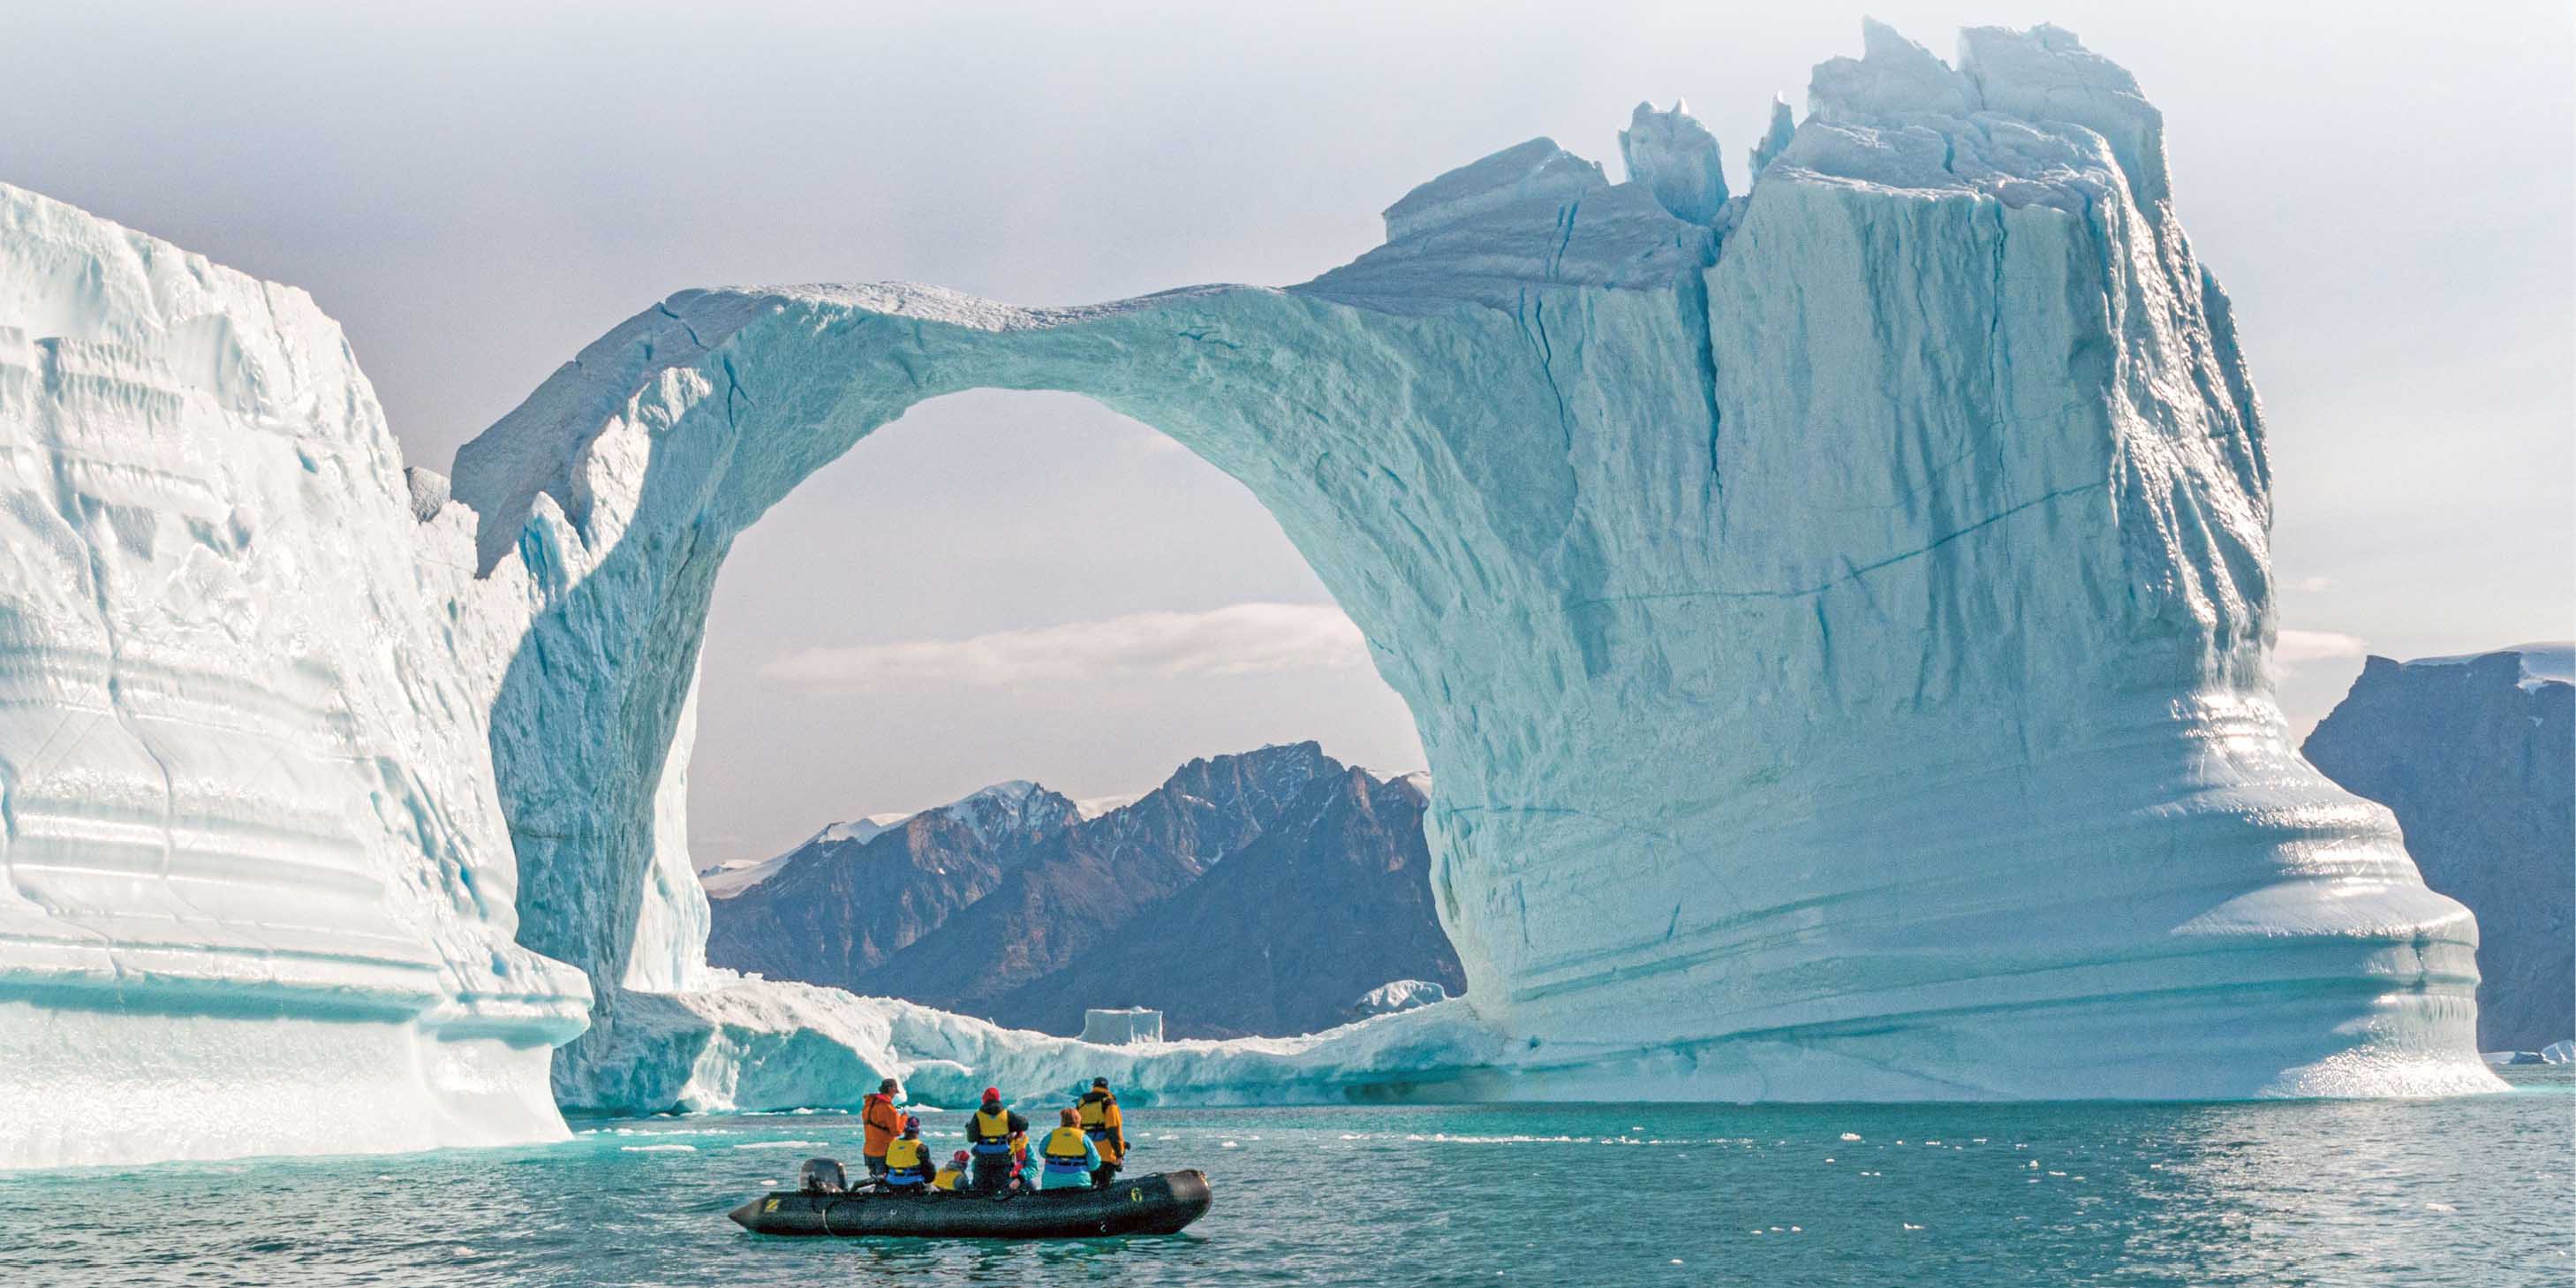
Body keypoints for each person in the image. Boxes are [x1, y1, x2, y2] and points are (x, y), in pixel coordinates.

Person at [963, 1087, 1028, 1193]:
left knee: (980, 1188)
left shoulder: (978, 1115)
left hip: (983, 1158)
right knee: (1002, 1188)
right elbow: (1024, 1125)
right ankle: (1002, 1201)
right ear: (998, 1099)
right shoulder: (1006, 1114)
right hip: (1002, 1157)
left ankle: (980, 1201)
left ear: (984, 1099)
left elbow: (971, 1138)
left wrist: (970, 1128)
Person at [1075, 1077, 1128, 1185]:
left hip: (1088, 1153)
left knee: (1090, 1185)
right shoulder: (1109, 1102)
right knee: (1105, 1186)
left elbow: (1076, 1128)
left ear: (1094, 1087)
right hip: (1106, 1154)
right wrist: (1119, 1154)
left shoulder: (1082, 1102)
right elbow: (1112, 1131)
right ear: (1107, 1087)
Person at [1035, 1107, 1102, 1190]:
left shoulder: (1051, 1136)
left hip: (1051, 1183)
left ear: (1062, 1121)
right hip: (1079, 1183)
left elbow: (1042, 1151)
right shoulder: (1084, 1138)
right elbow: (1094, 1164)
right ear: (1078, 1121)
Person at [859, 1078, 903, 1180]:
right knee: (885, 1182)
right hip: (883, 1151)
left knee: (875, 1180)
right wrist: (904, 1118)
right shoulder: (888, 1108)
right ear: (891, 1090)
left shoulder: (868, 1105)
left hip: (869, 1151)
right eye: (895, 1092)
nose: (894, 1095)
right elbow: (896, 1131)